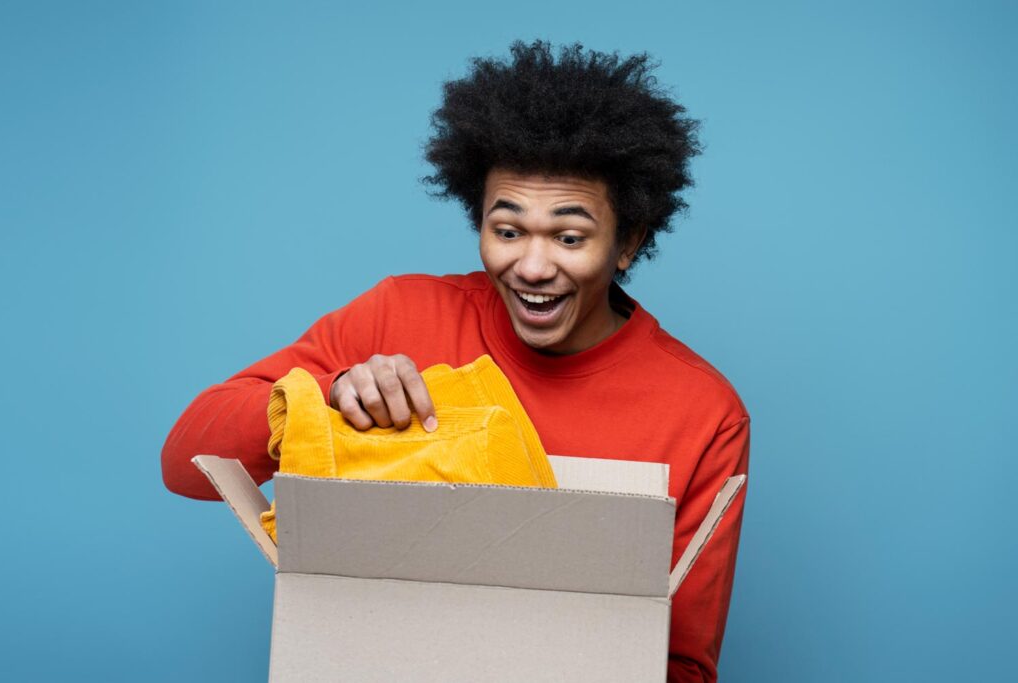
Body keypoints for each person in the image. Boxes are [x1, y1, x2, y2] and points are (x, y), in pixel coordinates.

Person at [161, 40, 750, 683]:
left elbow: (682, 664)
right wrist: (330, 393)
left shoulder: (701, 412)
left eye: (569, 236)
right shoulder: (397, 316)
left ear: (628, 242)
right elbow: (186, 464)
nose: (531, 266)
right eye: (507, 230)